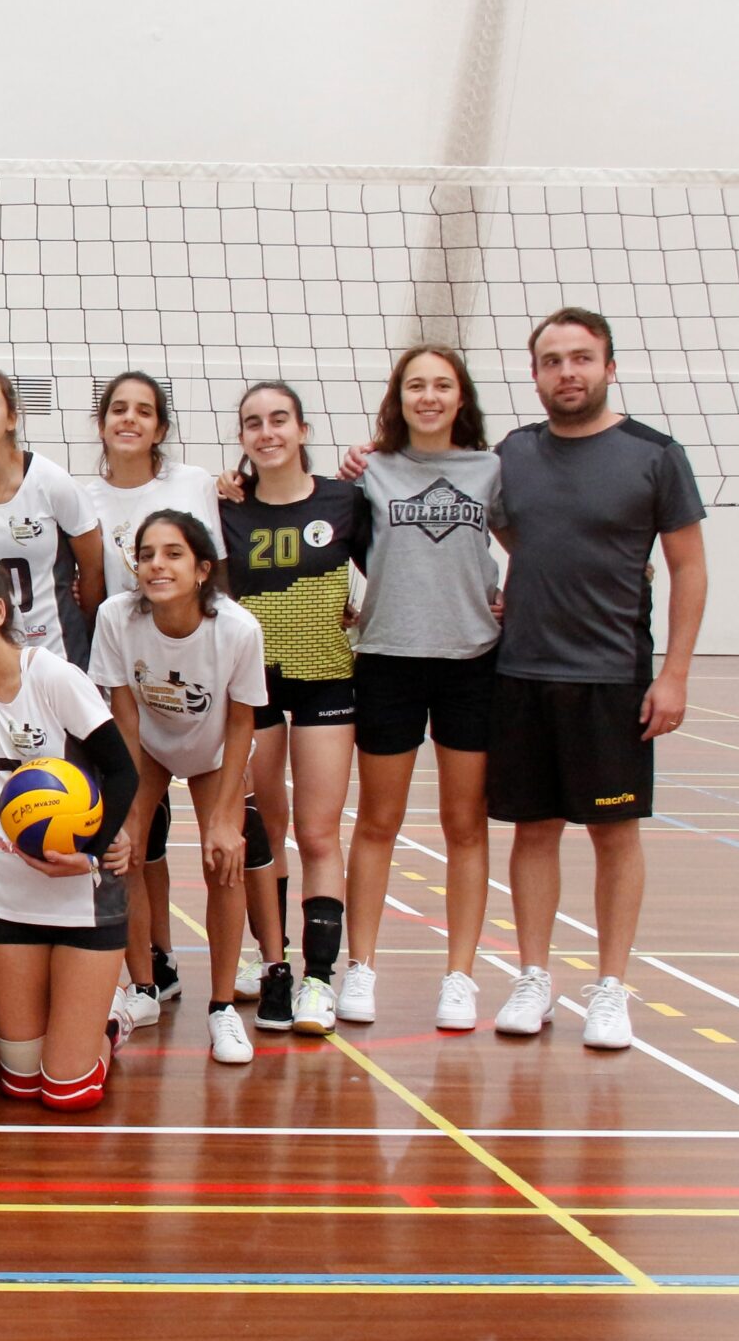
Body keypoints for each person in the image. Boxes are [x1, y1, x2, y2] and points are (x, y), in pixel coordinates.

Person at [485, 307, 706, 1051]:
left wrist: (673, 673)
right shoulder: (512, 452)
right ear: (536, 373)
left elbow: (689, 568)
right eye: (553, 360)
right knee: (533, 829)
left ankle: (610, 987)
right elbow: (512, 530)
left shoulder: (654, 455)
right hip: (520, 669)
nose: (567, 372)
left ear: (609, 367)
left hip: (612, 677)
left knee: (615, 834)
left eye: (582, 358)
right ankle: (534, 976)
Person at [0, 557, 138, 1111]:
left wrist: (91, 852)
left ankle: (112, 1017)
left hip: (81, 897)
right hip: (10, 898)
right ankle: (74, 1020)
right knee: (18, 1083)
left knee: (66, 1092)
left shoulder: (52, 677)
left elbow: (122, 771)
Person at [336, 345, 502, 1030]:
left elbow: (537, 541)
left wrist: (513, 594)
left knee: (465, 825)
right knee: (378, 821)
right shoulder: (370, 471)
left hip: (471, 660)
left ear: (461, 397)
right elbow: (320, 534)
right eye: (415, 385)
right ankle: (361, 967)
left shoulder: (494, 470)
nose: (429, 395)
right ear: (397, 398)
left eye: (442, 384)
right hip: (388, 657)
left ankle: (459, 976)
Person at [90, 512, 268, 1064]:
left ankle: (221, 1009)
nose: (156, 565)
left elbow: (242, 722)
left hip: (214, 747)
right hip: (146, 743)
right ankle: (143, 988)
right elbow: (123, 716)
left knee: (224, 857)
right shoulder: (116, 616)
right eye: (146, 555)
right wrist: (129, 808)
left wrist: (223, 818)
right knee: (126, 851)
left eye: (172, 554)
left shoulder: (237, 628)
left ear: (201, 569)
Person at [220, 382, 370, 1035]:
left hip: (327, 680)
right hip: (252, 686)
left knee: (317, 831)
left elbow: (391, 572)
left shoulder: (345, 502)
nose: (267, 431)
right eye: (253, 422)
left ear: (303, 429)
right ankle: (273, 964)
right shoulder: (227, 507)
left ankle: (319, 978)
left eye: (279, 419)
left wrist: (364, 614)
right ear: (243, 436)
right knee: (265, 828)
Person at [0, 367, 104, 664]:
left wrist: (84, 624)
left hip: (58, 652)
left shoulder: (52, 483)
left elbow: (93, 569)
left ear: (11, 418)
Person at [80, 372, 221, 604]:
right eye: (118, 410)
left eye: (144, 412)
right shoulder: (87, 500)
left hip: (192, 632)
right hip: (127, 633)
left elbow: (220, 571)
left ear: (159, 431)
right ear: (102, 426)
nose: (129, 418)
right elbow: (91, 585)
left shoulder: (196, 482)